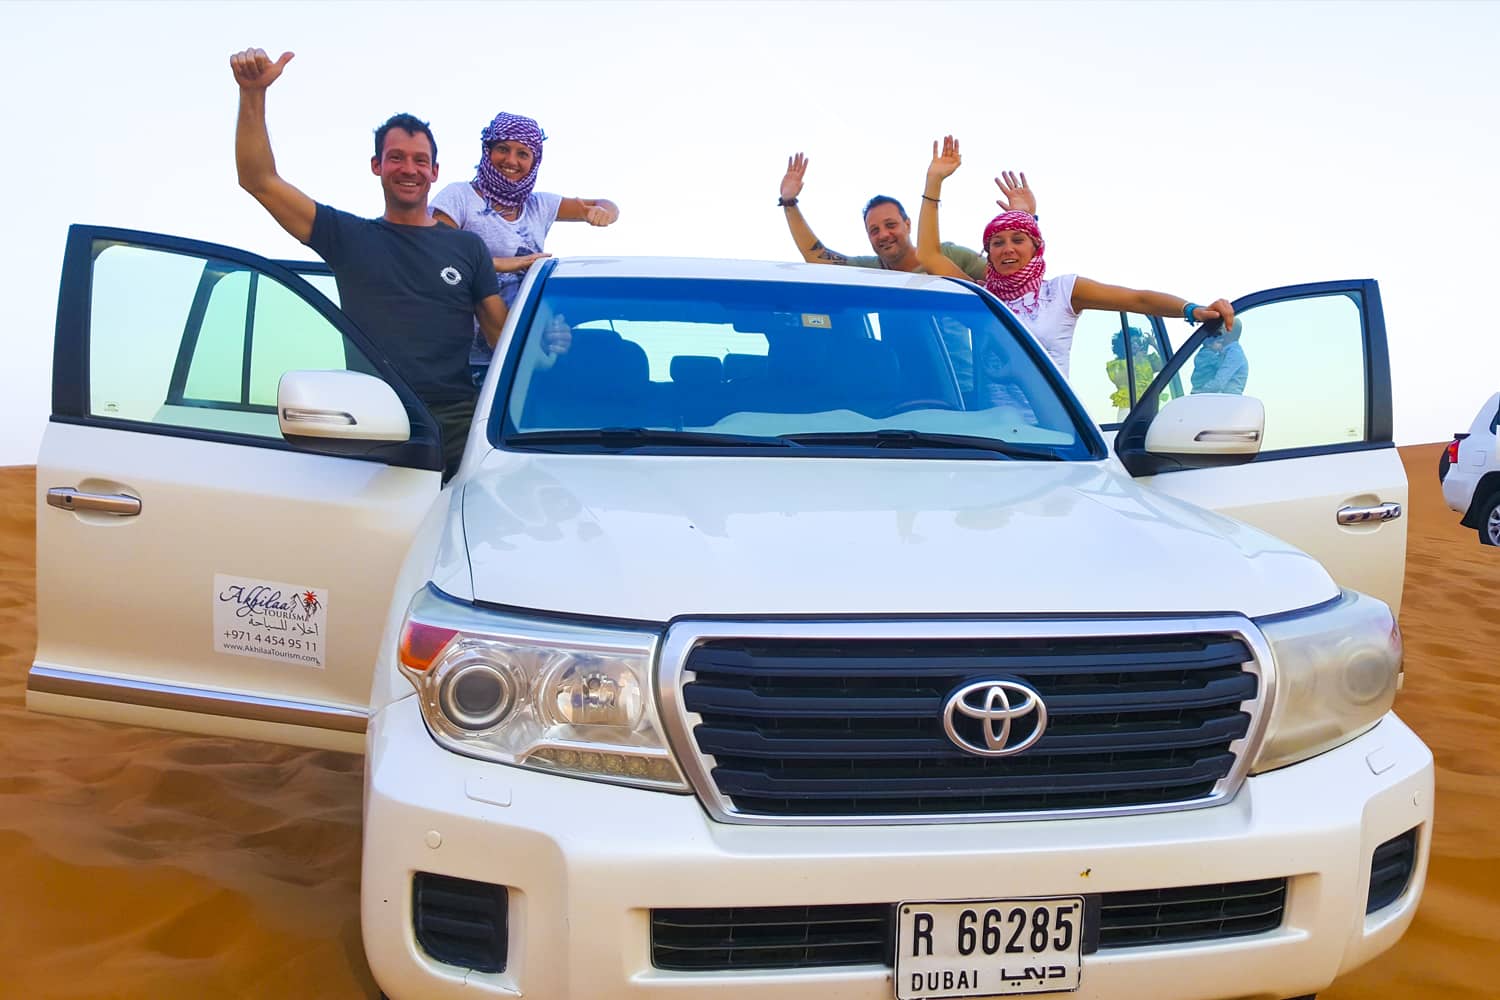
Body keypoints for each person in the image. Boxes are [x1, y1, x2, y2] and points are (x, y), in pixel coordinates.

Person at [229, 47, 567, 480]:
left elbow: (502, 339)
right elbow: (259, 180)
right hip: (373, 419)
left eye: (420, 160)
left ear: (434, 171)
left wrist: (548, 345)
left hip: (458, 426)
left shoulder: (468, 249)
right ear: (377, 165)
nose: (409, 169)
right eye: (397, 158)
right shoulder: (346, 236)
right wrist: (252, 94)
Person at [917, 136, 1234, 379]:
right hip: (990, 435)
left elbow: (1137, 300)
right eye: (997, 243)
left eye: (1018, 240)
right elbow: (929, 255)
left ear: (1036, 247)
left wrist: (1192, 310)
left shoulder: (1062, 292)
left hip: (1052, 435)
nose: (1007, 249)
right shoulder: (984, 298)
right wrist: (934, 182)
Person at [432, 112, 619, 387]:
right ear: (487, 150)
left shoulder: (539, 206)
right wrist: (504, 264)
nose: (511, 160)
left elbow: (606, 204)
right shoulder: (459, 197)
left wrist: (605, 213)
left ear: (535, 161)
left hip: (521, 361)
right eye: (503, 149)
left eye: (523, 153)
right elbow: (436, 253)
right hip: (459, 360)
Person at [776, 152, 1036, 280]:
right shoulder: (872, 271)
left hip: (957, 371)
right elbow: (817, 258)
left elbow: (1013, 278)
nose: (884, 235)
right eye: (874, 230)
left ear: (908, 224)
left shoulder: (950, 256)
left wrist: (1026, 219)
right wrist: (789, 203)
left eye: (890, 225)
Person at [1190, 320, 1250, 394]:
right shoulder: (1218, 351)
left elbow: (1218, 383)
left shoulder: (1234, 353)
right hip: (1220, 398)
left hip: (1228, 399)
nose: (1218, 331)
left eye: (1221, 328)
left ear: (1229, 331)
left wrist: (1198, 392)